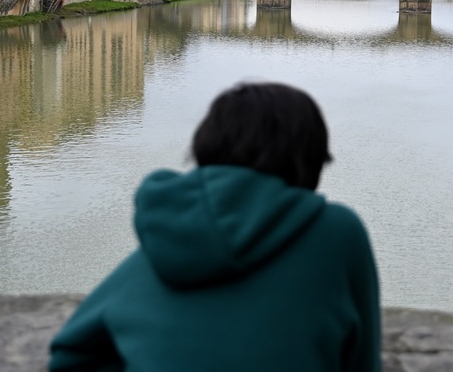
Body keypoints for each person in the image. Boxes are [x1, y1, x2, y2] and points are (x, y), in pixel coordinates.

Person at [49, 82, 380, 371]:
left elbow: (70, 353)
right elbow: (362, 361)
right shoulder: (336, 230)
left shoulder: (171, 228)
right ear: (308, 161)